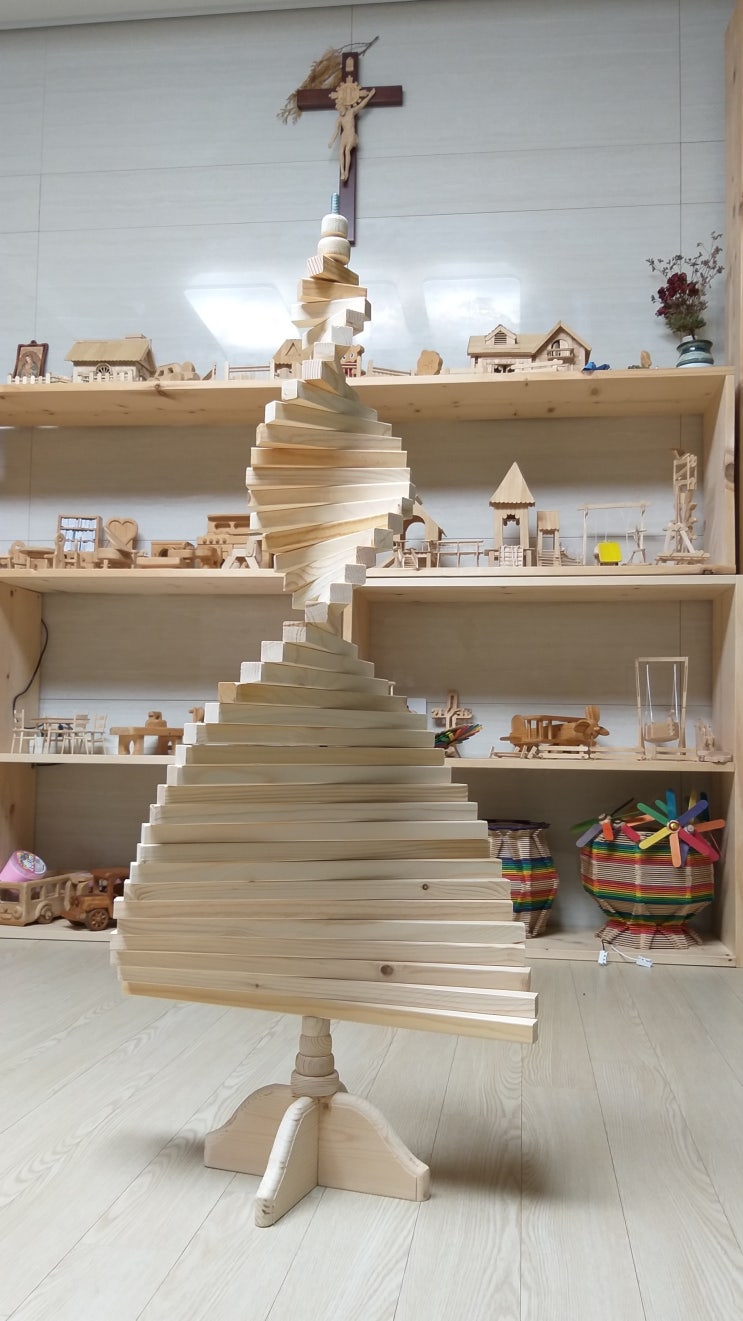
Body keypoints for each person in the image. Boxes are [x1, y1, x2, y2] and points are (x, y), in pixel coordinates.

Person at [328, 78, 376, 182]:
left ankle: (346, 172)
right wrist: (331, 141)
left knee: (347, 150)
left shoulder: (351, 112)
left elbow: (362, 105)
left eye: (340, 109)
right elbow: (336, 131)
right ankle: (342, 171)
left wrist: (370, 96)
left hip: (351, 135)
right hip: (344, 135)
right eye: (338, 110)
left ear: (344, 107)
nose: (340, 111)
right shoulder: (339, 119)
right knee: (340, 151)